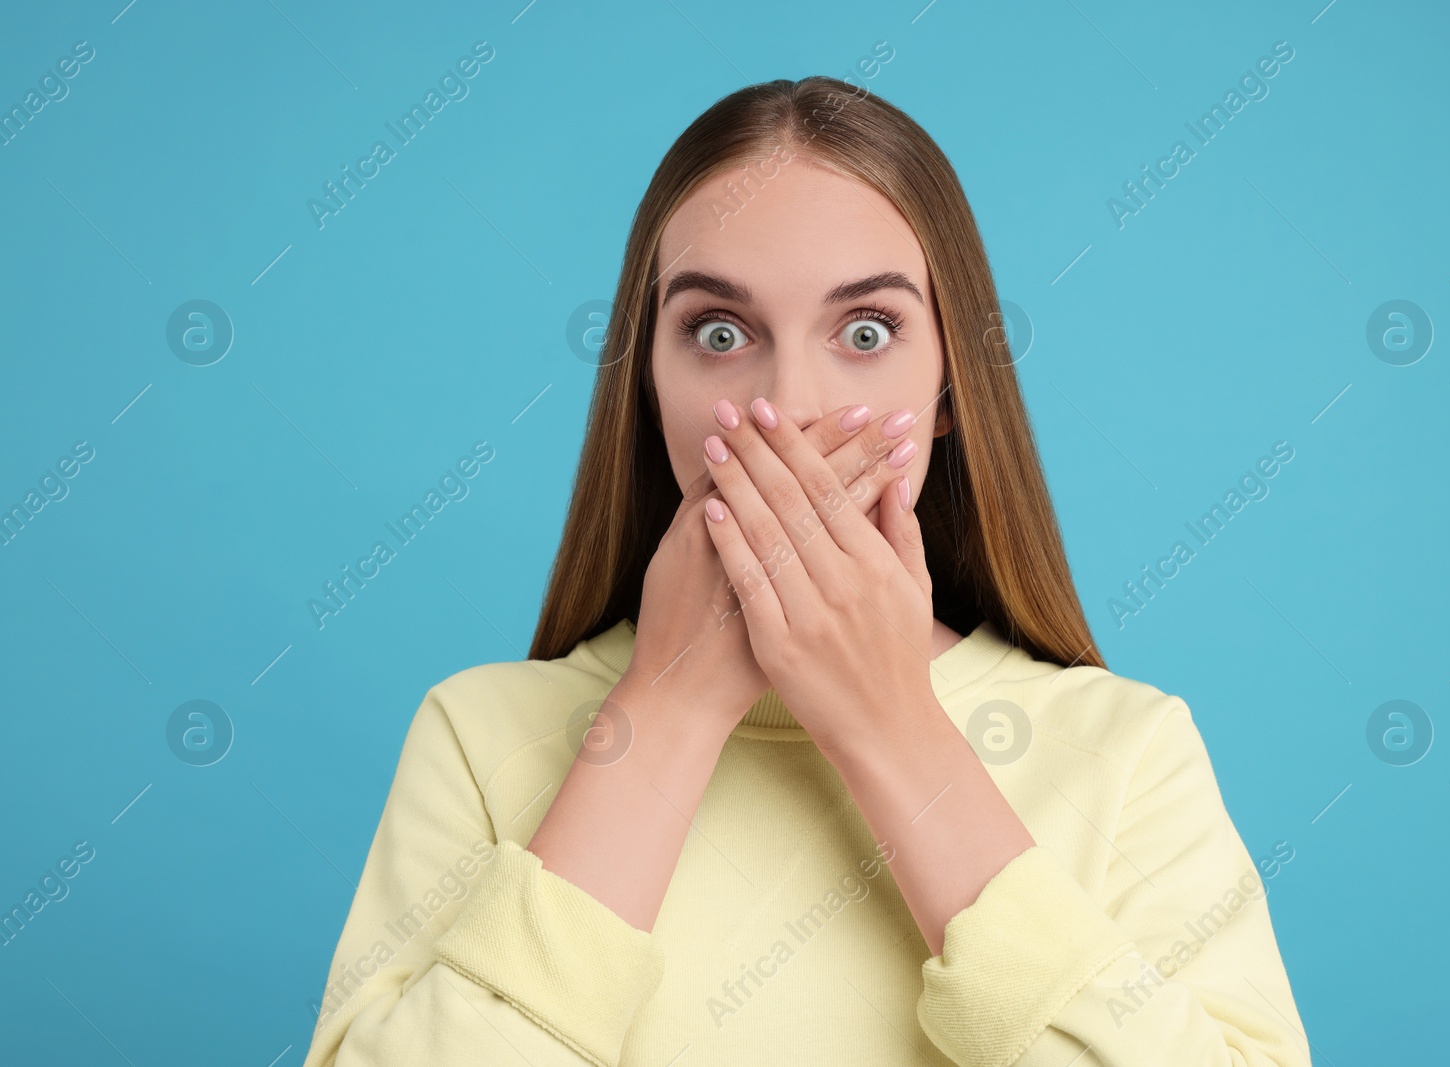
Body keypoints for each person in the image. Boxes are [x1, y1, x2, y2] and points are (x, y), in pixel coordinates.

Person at [302, 75, 1313, 1066]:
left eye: (866, 333)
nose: (786, 408)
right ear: (649, 384)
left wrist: (891, 725)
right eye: (719, 332)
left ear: (950, 386)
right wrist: (667, 708)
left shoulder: (1127, 751)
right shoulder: (479, 737)